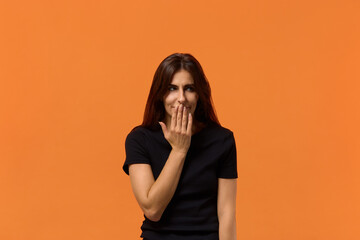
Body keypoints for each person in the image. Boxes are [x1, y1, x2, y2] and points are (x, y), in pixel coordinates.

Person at [123, 53, 238, 240]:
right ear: (160, 94)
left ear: (199, 94)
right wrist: (179, 150)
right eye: (172, 88)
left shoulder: (222, 140)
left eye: (189, 88)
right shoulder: (139, 140)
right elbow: (153, 209)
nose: (181, 98)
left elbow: (226, 214)